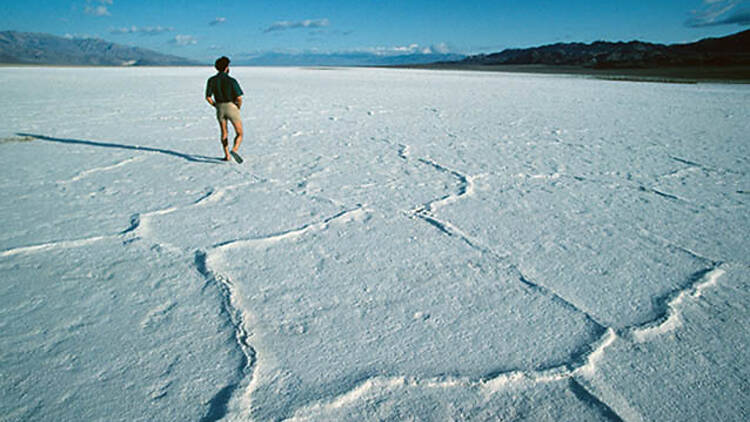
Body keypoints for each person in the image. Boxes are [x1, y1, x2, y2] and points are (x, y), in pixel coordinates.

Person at [205, 56, 244, 162]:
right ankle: (234, 149)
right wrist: (238, 107)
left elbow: (208, 97)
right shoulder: (231, 80)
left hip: (220, 108)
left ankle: (227, 155)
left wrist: (215, 105)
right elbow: (239, 98)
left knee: (224, 132)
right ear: (227, 67)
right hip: (231, 107)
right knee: (239, 133)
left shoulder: (212, 80)